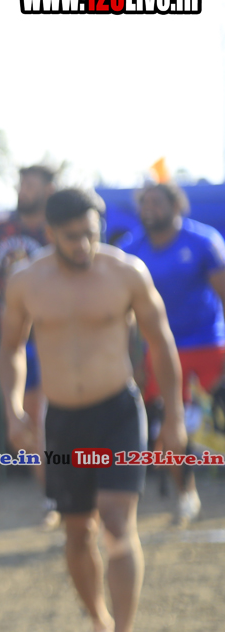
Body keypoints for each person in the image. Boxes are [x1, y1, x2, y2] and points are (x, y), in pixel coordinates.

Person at [0, 188, 185, 632]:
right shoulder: (26, 281)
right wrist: (13, 411)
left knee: (118, 522)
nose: (83, 245)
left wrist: (174, 418)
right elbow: (11, 348)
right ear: (49, 233)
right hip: (62, 421)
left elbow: (161, 341)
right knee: (78, 530)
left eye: (90, 233)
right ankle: (99, 624)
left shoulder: (125, 272)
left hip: (117, 414)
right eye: (71, 237)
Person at [120, 182, 225, 526]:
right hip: (159, 352)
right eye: (144, 202)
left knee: (211, 422)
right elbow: (126, 315)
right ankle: (185, 494)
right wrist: (133, 360)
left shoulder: (204, 241)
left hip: (209, 345)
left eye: (157, 201)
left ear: (176, 205)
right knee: (169, 422)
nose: (149, 208)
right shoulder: (130, 249)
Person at [0, 164, 58, 526]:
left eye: (30, 185)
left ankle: (63, 496)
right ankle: (51, 498)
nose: (23, 190)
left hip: (54, 336)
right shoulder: (2, 229)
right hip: (15, 338)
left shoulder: (57, 228)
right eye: (21, 184)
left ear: (48, 190)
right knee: (24, 423)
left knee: (46, 421)